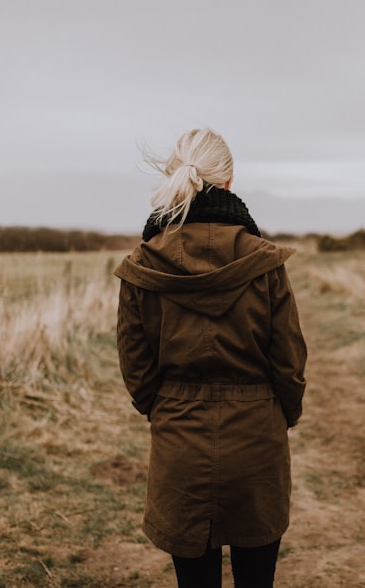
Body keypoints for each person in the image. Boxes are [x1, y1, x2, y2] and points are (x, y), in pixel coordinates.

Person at [114, 128, 307, 587]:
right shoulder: (265, 262)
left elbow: (135, 367)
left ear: (175, 176)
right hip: (257, 438)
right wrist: (281, 414)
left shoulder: (141, 263)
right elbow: (289, 362)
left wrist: (163, 409)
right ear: (229, 181)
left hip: (179, 439)